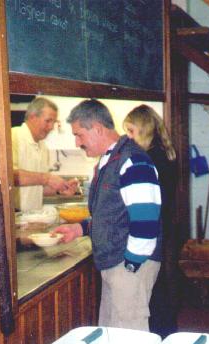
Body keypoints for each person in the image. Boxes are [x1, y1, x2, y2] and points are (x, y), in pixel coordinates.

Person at [54, 99, 162, 331]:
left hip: (130, 263)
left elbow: (146, 221)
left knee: (130, 338)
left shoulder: (133, 160)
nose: (77, 142)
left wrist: (131, 265)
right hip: (117, 262)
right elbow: (111, 214)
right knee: (113, 333)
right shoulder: (109, 160)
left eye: (79, 135)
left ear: (98, 129)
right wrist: (80, 228)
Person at [123, 104, 178, 338]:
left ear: (143, 130)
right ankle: (165, 336)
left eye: (131, 131)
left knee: (153, 293)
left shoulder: (148, 158)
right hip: (163, 225)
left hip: (152, 228)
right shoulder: (164, 152)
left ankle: (158, 339)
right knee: (160, 288)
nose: (127, 137)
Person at [12, 97, 78, 211]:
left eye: (54, 122)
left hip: (31, 218)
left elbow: (37, 189)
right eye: (48, 121)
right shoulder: (12, 136)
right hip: (13, 216)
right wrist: (47, 178)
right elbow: (8, 176)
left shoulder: (43, 147)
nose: (52, 127)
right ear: (32, 117)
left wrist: (61, 188)